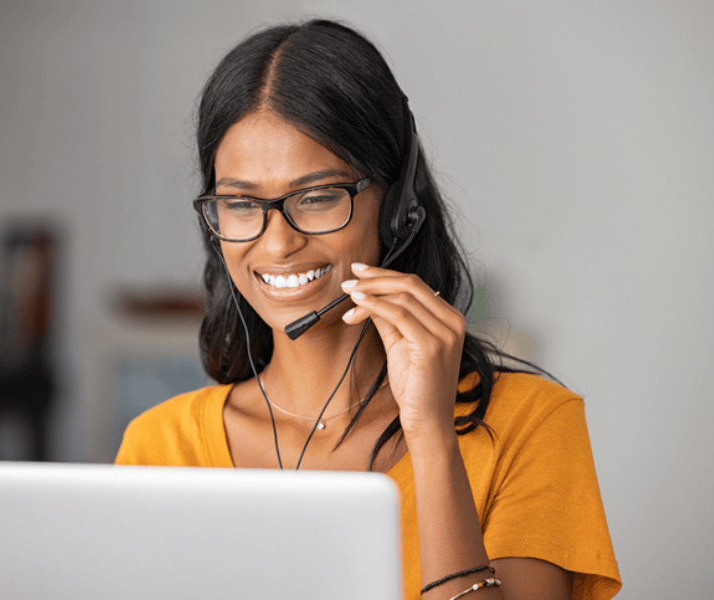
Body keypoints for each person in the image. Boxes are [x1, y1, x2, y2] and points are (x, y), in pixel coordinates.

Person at [115, 19, 621, 600]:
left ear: (399, 206)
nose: (277, 244)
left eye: (318, 196)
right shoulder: (159, 447)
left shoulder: (531, 425)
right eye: (240, 203)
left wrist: (431, 435)